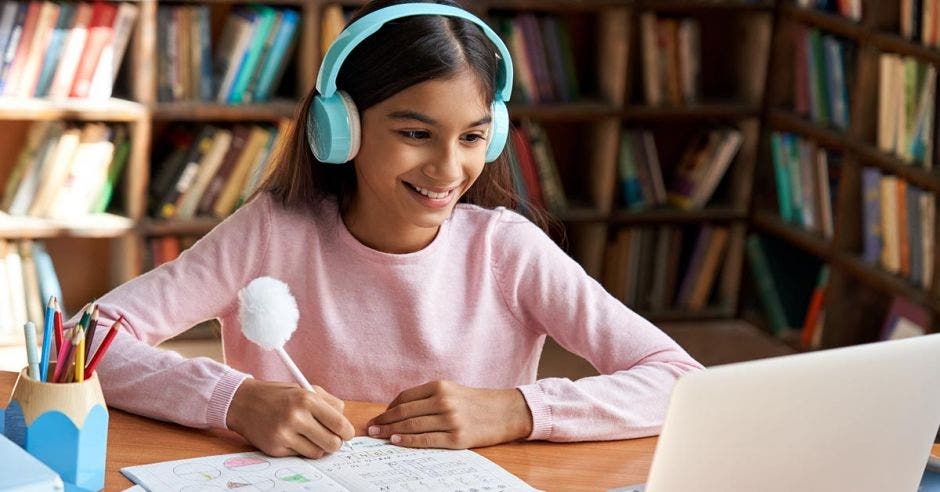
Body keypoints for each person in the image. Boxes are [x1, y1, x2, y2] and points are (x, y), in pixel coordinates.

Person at [77, 0, 703, 460]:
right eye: (414, 133)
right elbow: (85, 342)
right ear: (339, 129)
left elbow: (679, 379)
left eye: (473, 137)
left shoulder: (506, 250)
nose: (448, 167)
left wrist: (521, 409)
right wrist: (232, 399)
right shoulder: (271, 233)